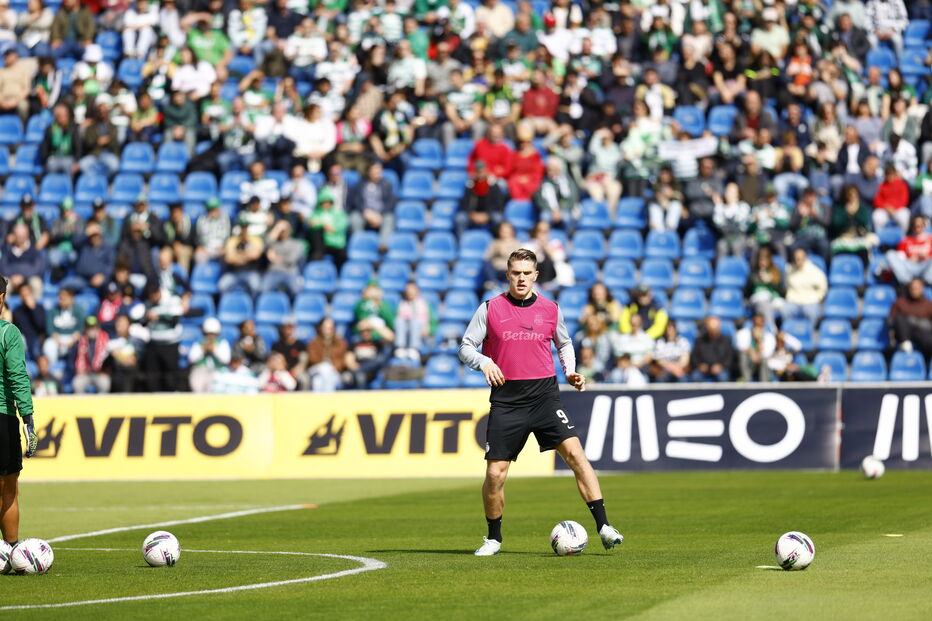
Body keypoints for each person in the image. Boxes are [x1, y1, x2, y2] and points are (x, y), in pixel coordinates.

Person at [459, 248, 624, 556]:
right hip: (507, 400)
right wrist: (484, 362)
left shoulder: (550, 309)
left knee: (576, 454)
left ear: (536, 275)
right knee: (495, 474)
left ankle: (604, 526)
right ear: (508, 275)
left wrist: (572, 371)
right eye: (516, 273)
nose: (521, 278)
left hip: (544, 396)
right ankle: (493, 538)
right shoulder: (489, 308)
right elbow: (466, 347)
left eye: (527, 273)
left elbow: (564, 343)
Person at [0, 273, 38, 550]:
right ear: (2, 298)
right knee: (8, 489)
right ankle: (12, 548)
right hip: (2, 417)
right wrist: (28, 419)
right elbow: (17, 377)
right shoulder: (8, 332)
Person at [888, 278, 932, 359]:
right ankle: (906, 345)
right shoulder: (900, 302)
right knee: (899, 318)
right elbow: (891, 320)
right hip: (904, 334)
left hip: (922, 333)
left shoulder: (929, 305)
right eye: (912, 288)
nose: (914, 290)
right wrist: (909, 320)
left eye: (917, 288)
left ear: (922, 288)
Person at [783, 248, 828, 326]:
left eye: (799, 259)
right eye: (795, 259)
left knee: (811, 312)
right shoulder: (789, 270)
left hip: (810, 301)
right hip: (793, 301)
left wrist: (818, 298)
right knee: (785, 310)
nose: (797, 261)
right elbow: (786, 285)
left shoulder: (815, 271)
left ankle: (808, 334)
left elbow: (823, 287)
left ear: (805, 258)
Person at [188, 317, 231, 393]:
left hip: (217, 370)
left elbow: (226, 360)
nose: (210, 336)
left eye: (213, 334)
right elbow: (191, 359)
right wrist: (203, 351)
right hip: (200, 370)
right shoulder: (199, 343)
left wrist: (214, 351)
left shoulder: (222, 343)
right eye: (208, 334)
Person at [69, 316, 110, 394]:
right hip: (85, 373)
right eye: (89, 328)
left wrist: (106, 370)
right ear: (85, 329)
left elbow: (109, 358)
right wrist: (76, 370)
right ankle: (82, 406)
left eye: (94, 328)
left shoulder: (105, 340)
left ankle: (101, 405)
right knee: (77, 384)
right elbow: (71, 359)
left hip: (99, 373)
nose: (91, 330)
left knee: (105, 384)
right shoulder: (79, 341)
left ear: (98, 328)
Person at [689, 316, 735, 382]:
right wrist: (699, 365)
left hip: (720, 369)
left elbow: (730, 358)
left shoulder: (726, 340)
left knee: (723, 377)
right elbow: (694, 356)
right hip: (703, 369)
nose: (713, 331)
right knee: (695, 376)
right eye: (711, 329)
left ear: (719, 327)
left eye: (715, 328)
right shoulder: (700, 340)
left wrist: (721, 366)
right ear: (707, 327)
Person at [735, 314, 776, 382]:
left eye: (759, 324)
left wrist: (758, 340)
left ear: (763, 324)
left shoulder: (769, 337)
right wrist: (751, 352)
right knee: (743, 355)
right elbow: (740, 346)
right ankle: (747, 381)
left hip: (761, 364)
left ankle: (764, 384)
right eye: (755, 324)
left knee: (765, 360)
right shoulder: (743, 333)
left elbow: (767, 353)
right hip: (749, 362)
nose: (757, 326)